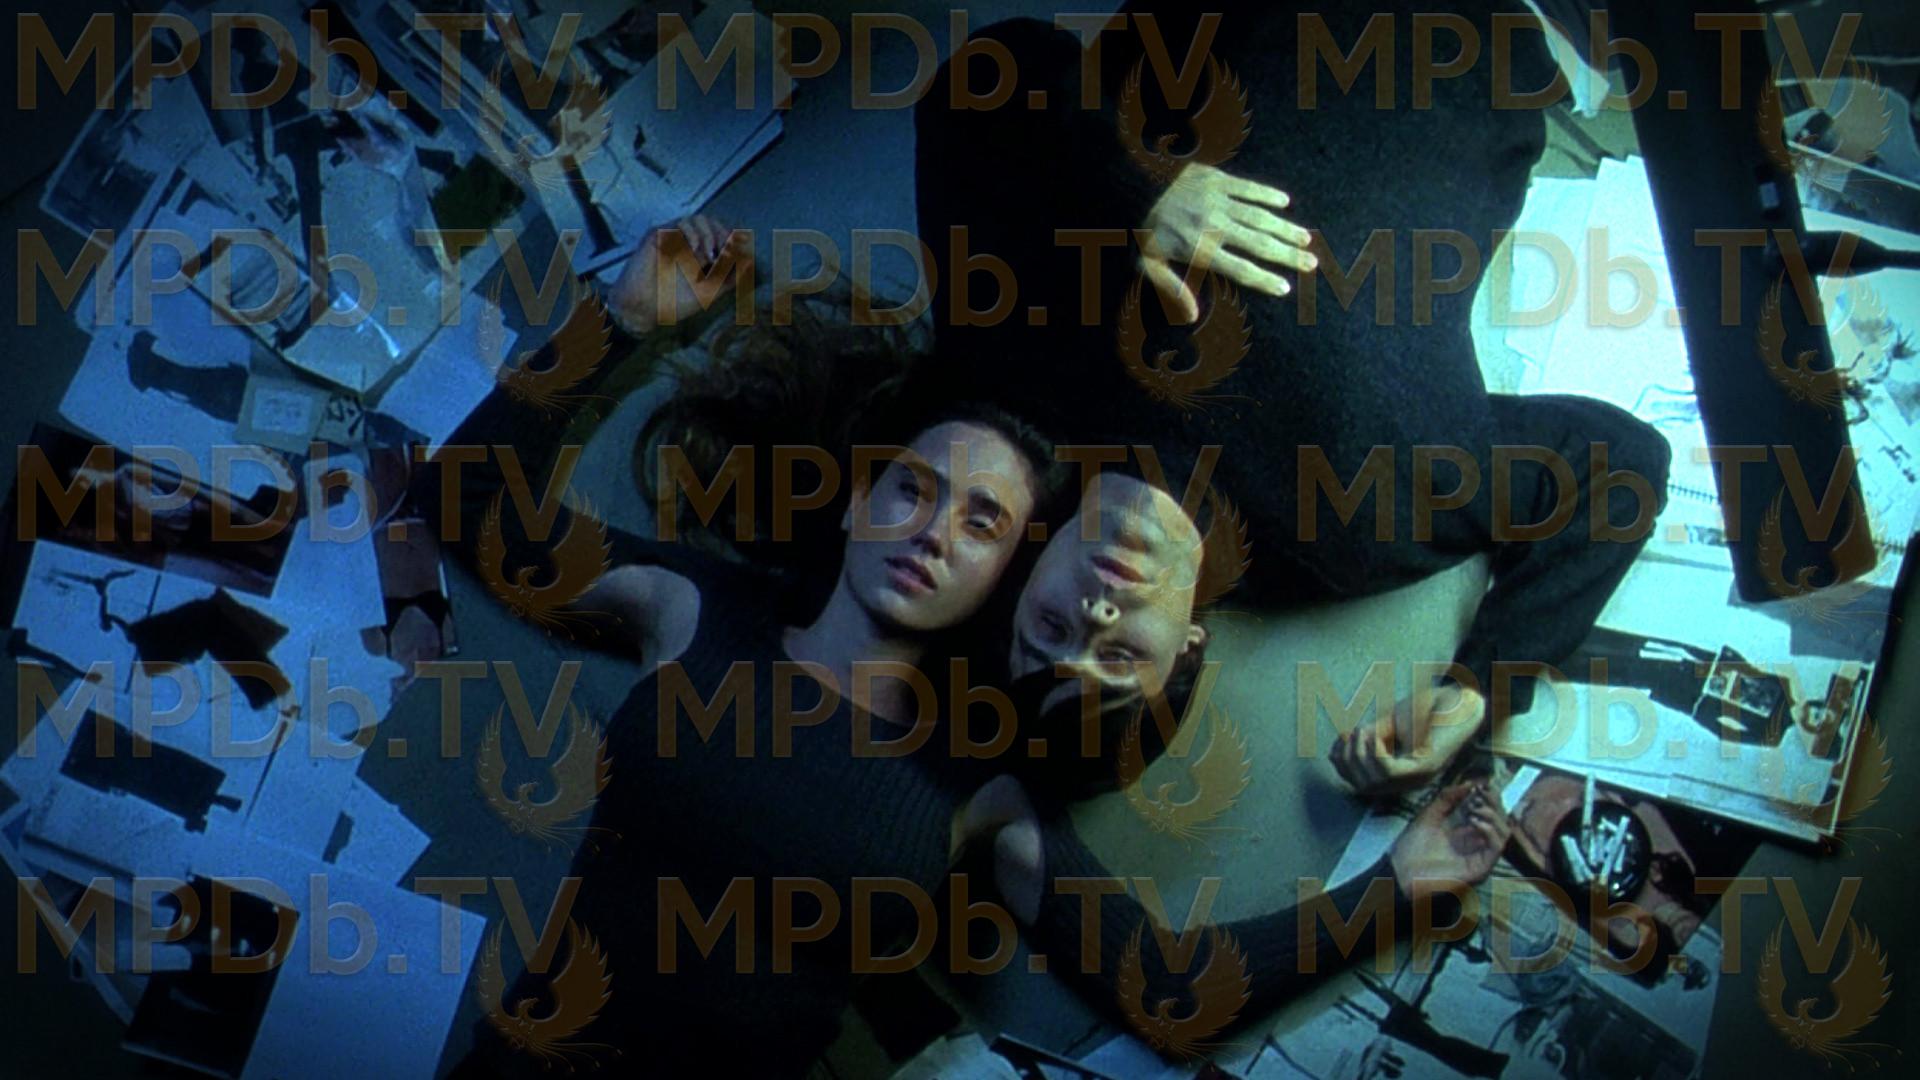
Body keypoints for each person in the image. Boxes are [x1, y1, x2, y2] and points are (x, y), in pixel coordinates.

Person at [433, 223, 1519, 1075]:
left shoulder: (980, 787)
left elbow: (1173, 993)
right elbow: (467, 504)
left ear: (1009, 576)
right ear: (859, 499)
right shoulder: (696, 611)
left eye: (984, 522)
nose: (933, 533)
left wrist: (1399, 886)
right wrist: (620, 319)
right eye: (914, 490)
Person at [913, 0, 1672, 793]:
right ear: (1188, 652)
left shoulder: (1022, 377)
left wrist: (1136, 189)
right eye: (1121, 656)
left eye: (1049, 626)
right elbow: (1620, 469)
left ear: (1024, 582)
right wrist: (1481, 688)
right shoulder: (1349, 527)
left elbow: (982, 77)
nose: (1097, 612)